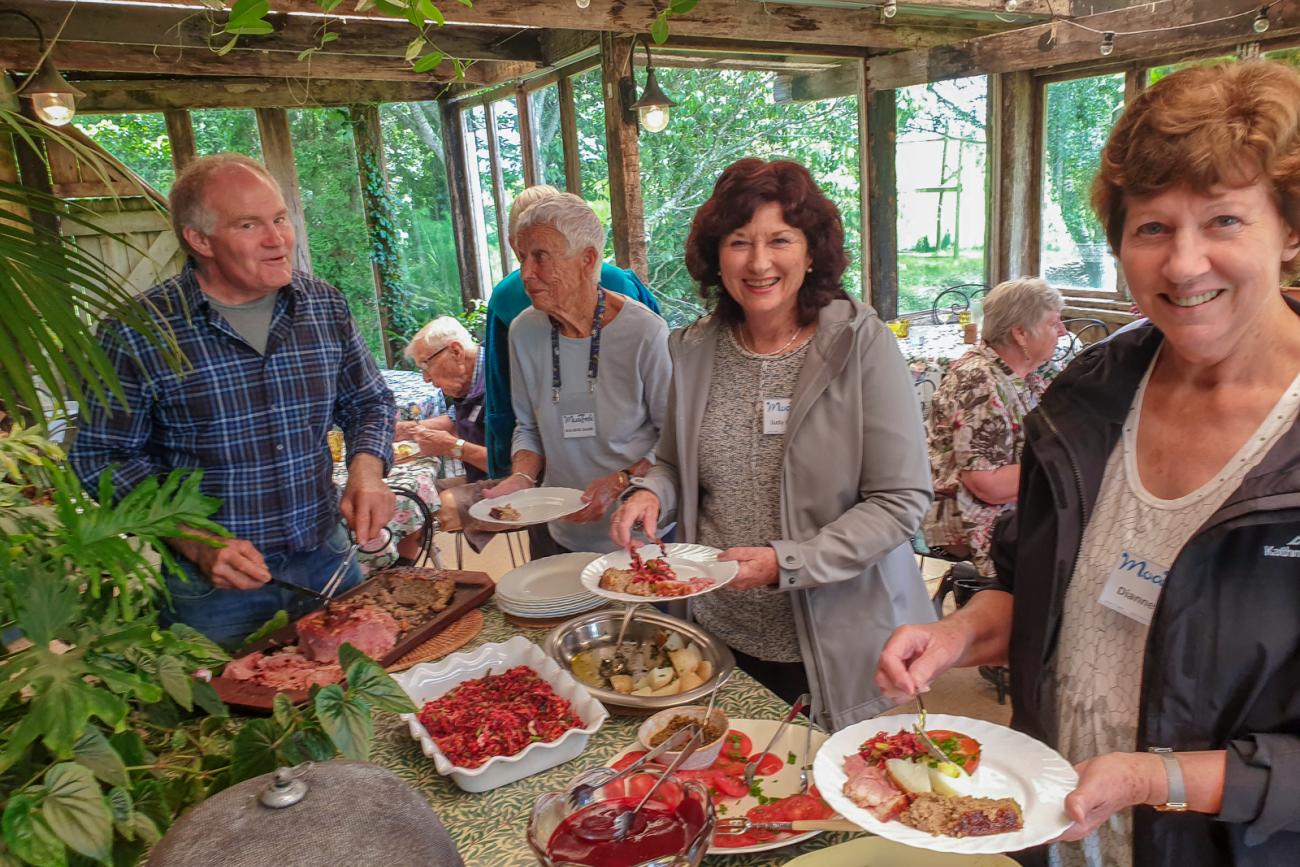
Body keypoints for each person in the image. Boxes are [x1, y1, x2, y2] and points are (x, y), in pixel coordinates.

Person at [875, 61, 1300, 867]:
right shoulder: (1091, 394)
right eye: (1151, 228)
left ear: (1290, 229)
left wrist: (1159, 776)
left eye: (1223, 221)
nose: (1182, 263)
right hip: (1054, 834)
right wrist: (955, 634)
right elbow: (1032, 600)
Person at [610, 159, 934, 727]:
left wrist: (786, 562)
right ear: (717, 258)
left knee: (822, 803)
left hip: (834, 639)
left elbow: (900, 500)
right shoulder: (692, 350)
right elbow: (673, 462)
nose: (759, 262)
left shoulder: (861, 345)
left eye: (780, 239)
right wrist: (650, 492)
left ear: (811, 254)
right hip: (717, 631)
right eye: (739, 242)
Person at [70, 153, 395, 648]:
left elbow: (368, 400)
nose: (278, 239)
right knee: (228, 722)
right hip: (212, 590)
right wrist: (195, 541)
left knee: (360, 707)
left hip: (328, 557)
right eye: (249, 225)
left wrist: (366, 471)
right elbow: (99, 459)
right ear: (200, 240)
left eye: (280, 218)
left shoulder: (324, 305)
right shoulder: (135, 333)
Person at [482, 193, 670, 556]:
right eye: (522, 258)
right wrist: (522, 476)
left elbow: (672, 440)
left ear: (587, 260)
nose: (526, 274)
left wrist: (620, 482)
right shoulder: (524, 331)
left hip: (638, 537)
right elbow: (527, 427)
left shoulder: (644, 333)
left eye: (540, 257)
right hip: (562, 534)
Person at [923, 277, 1064, 579]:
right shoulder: (978, 380)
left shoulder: (1035, 373)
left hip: (1016, 500)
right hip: (965, 513)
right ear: (1020, 334)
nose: (1063, 332)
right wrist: (1062, 470)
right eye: (1054, 324)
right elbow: (988, 485)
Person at [397, 317, 488, 482]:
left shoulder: (499, 379)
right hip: (478, 477)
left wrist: (452, 447)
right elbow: (454, 420)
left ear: (456, 352)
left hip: (511, 486)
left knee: (441, 503)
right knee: (420, 497)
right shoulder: (470, 381)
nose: (425, 378)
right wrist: (404, 430)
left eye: (426, 365)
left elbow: (512, 464)